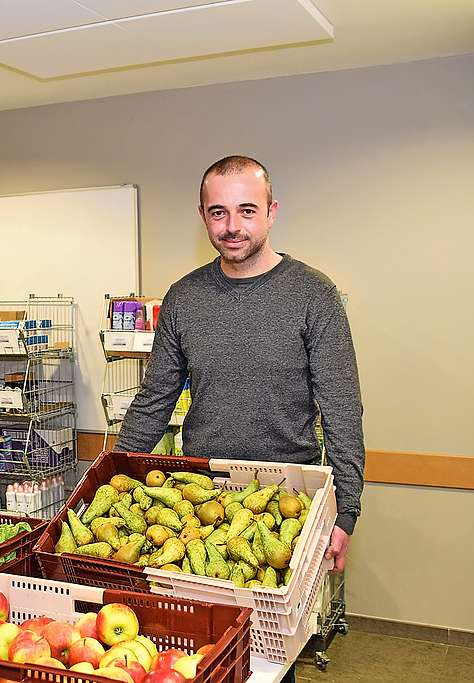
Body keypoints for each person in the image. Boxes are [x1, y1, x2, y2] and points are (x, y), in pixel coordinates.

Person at [115, 155, 364, 682]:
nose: (232, 227)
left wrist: (346, 512)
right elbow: (155, 399)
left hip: (288, 503)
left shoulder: (314, 296)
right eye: (218, 213)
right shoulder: (183, 298)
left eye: (247, 211)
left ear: (272, 211)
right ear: (203, 216)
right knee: (198, 650)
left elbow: (342, 407)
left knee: (271, 659)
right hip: (199, 500)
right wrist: (109, 476)